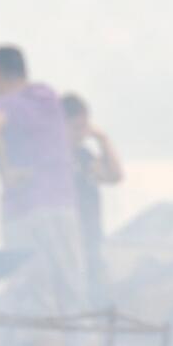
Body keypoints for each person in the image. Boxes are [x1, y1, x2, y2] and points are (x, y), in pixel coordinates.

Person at [0, 46, 87, 315]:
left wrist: (6, 171)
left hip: (26, 213)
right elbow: (6, 72)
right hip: (62, 207)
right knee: (73, 299)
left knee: (36, 308)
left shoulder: (6, 103)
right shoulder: (46, 97)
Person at [60, 93, 123, 307]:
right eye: (77, 128)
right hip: (67, 245)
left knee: (99, 300)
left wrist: (103, 139)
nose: (82, 134)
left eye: (85, 127)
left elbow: (114, 176)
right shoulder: (53, 158)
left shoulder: (84, 156)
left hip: (91, 240)